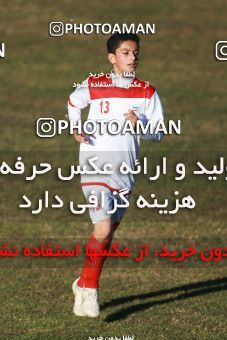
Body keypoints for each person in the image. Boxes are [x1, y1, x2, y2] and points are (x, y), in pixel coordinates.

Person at [67, 33, 164, 317]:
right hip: (95, 164)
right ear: (112, 58)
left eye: (136, 53)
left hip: (125, 171)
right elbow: (74, 102)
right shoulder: (94, 84)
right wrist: (75, 127)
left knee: (108, 234)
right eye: (125, 53)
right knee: (103, 229)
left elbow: (158, 132)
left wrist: (139, 126)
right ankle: (90, 292)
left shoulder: (147, 92)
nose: (133, 58)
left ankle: (83, 282)